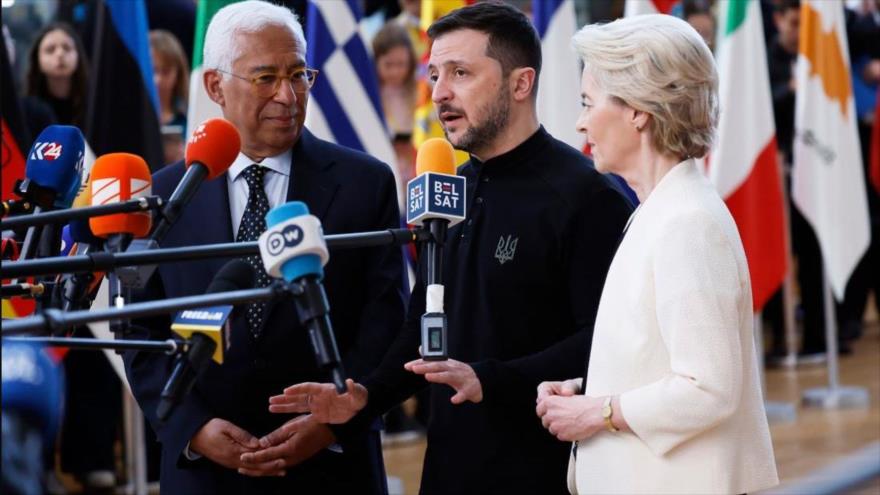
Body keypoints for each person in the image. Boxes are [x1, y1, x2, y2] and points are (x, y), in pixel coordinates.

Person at [267, 3, 633, 493]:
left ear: (520, 84)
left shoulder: (587, 197)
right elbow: (425, 324)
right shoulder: (447, 189)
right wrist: (364, 398)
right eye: (435, 74)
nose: (439, 94)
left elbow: (607, 345)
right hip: (447, 469)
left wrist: (490, 379)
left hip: (545, 471)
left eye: (460, 73)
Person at [122, 2, 407, 493]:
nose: (288, 95)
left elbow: (385, 320)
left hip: (333, 469)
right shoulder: (164, 197)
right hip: (204, 471)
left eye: (299, 75)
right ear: (215, 87)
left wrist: (333, 423)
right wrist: (193, 428)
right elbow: (138, 328)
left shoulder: (366, 183)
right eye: (265, 77)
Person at [535, 14, 778, 494]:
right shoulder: (661, 210)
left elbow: (708, 388)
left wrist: (599, 412)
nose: (581, 121)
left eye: (588, 102)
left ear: (637, 111)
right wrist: (593, 391)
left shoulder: (686, 222)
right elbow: (663, 360)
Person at [372, 22, 418, 209]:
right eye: (388, 65)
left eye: (401, 64)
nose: (396, 72)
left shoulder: (420, 91)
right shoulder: (370, 94)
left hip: (414, 170)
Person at [25, 22, 88, 128]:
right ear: (37, 61)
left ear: (79, 56)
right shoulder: (28, 110)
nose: (60, 54)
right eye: (50, 50)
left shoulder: (94, 106)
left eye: (67, 48)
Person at [149, 29, 189, 164]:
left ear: (178, 74)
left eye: (165, 71)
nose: (158, 79)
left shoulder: (189, 118)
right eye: (153, 70)